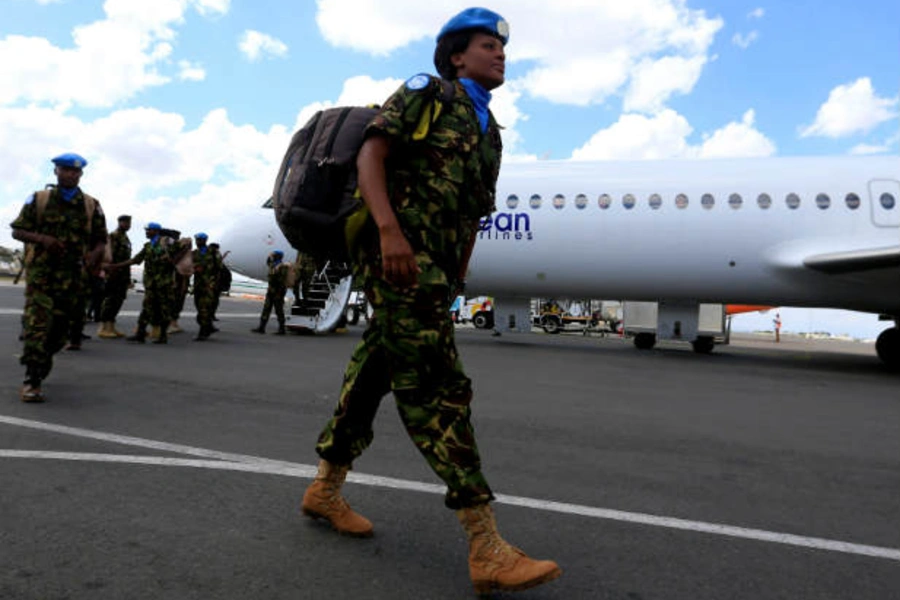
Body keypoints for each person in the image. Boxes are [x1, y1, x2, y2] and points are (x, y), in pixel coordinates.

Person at [299, 8, 561, 595]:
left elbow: (472, 213)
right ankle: (484, 541)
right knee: (438, 388)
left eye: (501, 46)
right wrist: (390, 232)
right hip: (398, 258)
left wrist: (458, 276)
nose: (500, 54)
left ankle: (324, 488)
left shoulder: (489, 130)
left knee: (373, 374)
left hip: (436, 271)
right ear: (456, 55)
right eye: (488, 45)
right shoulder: (428, 94)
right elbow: (373, 153)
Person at [10, 152, 108, 401]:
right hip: (42, 275)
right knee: (37, 327)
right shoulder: (39, 199)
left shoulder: (90, 205)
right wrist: (42, 239)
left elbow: (100, 240)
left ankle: (43, 361)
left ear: (81, 174)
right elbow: (18, 231)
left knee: (59, 333)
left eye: (75, 171)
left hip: (73, 278)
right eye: (65, 170)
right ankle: (32, 381)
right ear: (56, 171)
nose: (70, 174)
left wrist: (93, 257)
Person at [113, 222, 186, 344]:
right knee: (146, 309)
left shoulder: (166, 242)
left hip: (164, 284)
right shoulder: (147, 246)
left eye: (149, 230)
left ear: (156, 231)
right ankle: (140, 334)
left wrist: (172, 261)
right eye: (146, 230)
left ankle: (162, 336)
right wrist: (115, 266)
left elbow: (183, 246)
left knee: (164, 310)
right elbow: (136, 260)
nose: (146, 232)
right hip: (151, 284)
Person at [97, 215, 133, 339]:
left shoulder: (125, 238)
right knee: (110, 300)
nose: (128, 225)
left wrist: (128, 278)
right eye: (125, 222)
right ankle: (103, 327)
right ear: (119, 222)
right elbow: (108, 255)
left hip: (122, 274)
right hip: (113, 272)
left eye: (129, 223)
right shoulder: (113, 236)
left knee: (118, 300)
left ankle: (111, 326)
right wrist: (109, 271)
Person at [191, 232, 222, 341]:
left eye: (200, 240)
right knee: (199, 307)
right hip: (198, 284)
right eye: (197, 240)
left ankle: (203, 333)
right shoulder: (194, 253)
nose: (198, 242)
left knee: (204, 308)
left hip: (210, 284)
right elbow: (190, 266)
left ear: (205, 240)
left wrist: (216, 284)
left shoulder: (213, 252)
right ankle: (208, 327)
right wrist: (195, 267)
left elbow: (219, 268)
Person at [251, 250, 289, 335]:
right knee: (266, 309)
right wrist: (270, 255)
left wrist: (278, 293)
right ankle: (261, 327)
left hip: (278, 292)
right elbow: (268, 261)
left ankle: (282, 329)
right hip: (271, 291)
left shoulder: (282, 267)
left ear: (277, 256)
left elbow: (281, 281)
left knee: (279, 310)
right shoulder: (273, 265)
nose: (271, 256)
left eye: (273, 255)